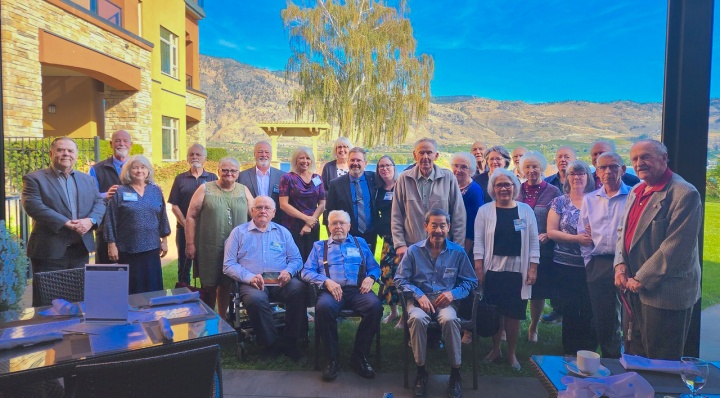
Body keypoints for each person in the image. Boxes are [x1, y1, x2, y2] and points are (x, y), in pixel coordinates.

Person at [614, 139, 701, 360]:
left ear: (664, 158)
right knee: (635, 354)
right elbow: (622, 231)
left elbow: (676, 247)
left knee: (661, 362)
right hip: (633, 288)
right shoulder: (636, 190)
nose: (639, 163)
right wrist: (620, 265)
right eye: (635, 159)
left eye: (646, 157)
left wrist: (641, 278)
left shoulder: (684, 194)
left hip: (665, 293)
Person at [394, 209, 478, 398]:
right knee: (416, 319)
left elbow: (471, 281)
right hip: (418, 301)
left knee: (449, 320)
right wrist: (418, 294)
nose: (438, 230)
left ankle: (455, 373)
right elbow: (399, 280)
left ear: (448, 227)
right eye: (434, 225)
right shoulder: (414, 251)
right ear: (426, 226)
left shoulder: (458, 252)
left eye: (442, 225)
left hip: (445, 301)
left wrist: (453, 293)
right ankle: (421, 371)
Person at [22, 137, 105, 306]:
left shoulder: (87, 179)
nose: (66, 153)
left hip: (79, 250)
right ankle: (49, 333)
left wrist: (90, 221)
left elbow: (100, 202)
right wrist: (66, 223)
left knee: (78, 300)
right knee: (48, 304)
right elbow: (34, 206)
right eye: (60, 150)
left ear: (76, 155)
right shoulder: (34, 179)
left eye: (70, 151)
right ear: (51, 153)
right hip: (49, 252)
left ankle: (76, 332)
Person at [301, 210, 382, 381]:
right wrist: (326, 281)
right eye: (334, 223)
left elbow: (375, 267)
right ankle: (332, 358)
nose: (338, 226)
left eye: (342, 223)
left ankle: (359, 356)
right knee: (323, 308)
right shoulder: (319, 246)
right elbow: (306, 271)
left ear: (349, 226)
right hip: (331, 291)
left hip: (357, 290)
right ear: (328, 226)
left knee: (375, 307)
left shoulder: (360, 243)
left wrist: (371, 277)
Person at [223, 196, 306, 362]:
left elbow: (297, 260)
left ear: (274, 212)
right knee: (256, 300)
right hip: (252, 281)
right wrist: (249, 277)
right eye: (259, 207)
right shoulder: (238, 233)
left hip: (280, 280)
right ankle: (271, 344)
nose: (263, 211)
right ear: (252, 211)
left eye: (267, 208)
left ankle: (291, 342)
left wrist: (289, 272)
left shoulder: (283, 232)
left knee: (299, 290)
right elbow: (228, 264)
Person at [474, 168, 539, 371]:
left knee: (513, 314)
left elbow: (533, 241)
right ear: (493, 188)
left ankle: (511, 354)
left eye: (507, 184)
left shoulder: (525, 211)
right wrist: (478, 268)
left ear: (515, 187)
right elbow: (478, 242)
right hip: (493, 269)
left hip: (516, 272)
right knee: (494, 313)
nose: (504, 188)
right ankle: (496, 350)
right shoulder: (485, 211)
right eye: (499, 185)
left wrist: (533, 268)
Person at [185, 157, 254, 319]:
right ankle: (208, 319)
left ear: (238, 174)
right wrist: (190, 244)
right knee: (209, 284)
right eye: (225, 170)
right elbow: (191, 216)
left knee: (226, 285)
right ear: (218, 171)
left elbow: (255, 215)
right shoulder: (205, 189)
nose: (228, 173)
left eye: (233, 171)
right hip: (209, 245)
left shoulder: (243, 190)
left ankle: (222, 319)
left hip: (235, 249)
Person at [577, 152, 629, 359]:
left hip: (627, 263)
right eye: (603, 167)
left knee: (631, 315)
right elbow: (583, 234)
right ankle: (611, 357)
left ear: (623, 170)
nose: (608, 171)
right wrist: (589, 262)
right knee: (604, 315)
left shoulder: (633, 196)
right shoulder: (590, 200)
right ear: (597, 172)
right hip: (599, 262)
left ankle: (634, 355)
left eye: (613, 167)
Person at [547, 160, 596, 355]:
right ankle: (569, 348)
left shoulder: (596, 200)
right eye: (572, 174)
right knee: (569, 307)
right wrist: (577, 238)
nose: (576, 178)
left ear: (588, 177)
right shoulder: (560, 201)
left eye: (581, 174)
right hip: (565, 265)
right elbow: (551, 231)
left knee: (589, 307)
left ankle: (588, 349)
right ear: (567, 178)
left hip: (591, 264)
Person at [104, 155, 171, 294]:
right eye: (135, 167)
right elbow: (110, 219)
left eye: (143, 167)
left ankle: (152, 315)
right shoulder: (121, 192)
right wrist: (111, 244)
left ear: (148, 171)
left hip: (151, 248)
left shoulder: (156, 191)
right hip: (128, 249)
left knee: (152, 288)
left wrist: (164, 240)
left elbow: (162, 215)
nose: (139, 171)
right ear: (128, 171)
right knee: (131, 289)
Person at [392, 138, 466, 261]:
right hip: (413, 248)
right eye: (421, 153)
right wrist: (400, 244)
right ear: (415, 155)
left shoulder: (448, 178)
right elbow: (396, 215)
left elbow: (459, 215)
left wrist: (457, 247)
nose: (425, 156)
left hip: (444, 248)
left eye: (429, 152)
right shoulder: (404, 179)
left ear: (436, 156)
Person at [518, 151, 562, 343]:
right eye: (527, 167)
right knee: (517, 288)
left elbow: (560, 219)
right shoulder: (517, 189)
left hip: (543, 249)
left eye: (535, 166)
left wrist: (547, 233)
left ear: (542, 168)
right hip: (518, 248)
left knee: (538, 291)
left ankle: (533, 327)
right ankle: (510, 326)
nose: (531, 170)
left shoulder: (553, 191)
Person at [168, 144, 218, 284]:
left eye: (198, 154)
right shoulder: (180, 179)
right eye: (191, 154)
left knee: (205, 266)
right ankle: (184, 297)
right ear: (187, 158)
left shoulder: (213, 178)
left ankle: (204, 298)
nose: (194, 157)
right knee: (184, 266)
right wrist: (187, 225)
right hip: (183, 229)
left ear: (205, 158)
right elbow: (174, 205)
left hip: (206, 231)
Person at [450, 152, 484, 345]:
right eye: (456, 166)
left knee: (467, 287)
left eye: (463, 167)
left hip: (467, 248)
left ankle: (468, 331)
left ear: (471, 169)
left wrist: (464, 252)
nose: (459, 170)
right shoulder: (452, 186)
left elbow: (473, 225)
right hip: (453, 244)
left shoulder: (474, 190)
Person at [90, 130, 132, 264]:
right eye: (118, 141)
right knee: (107, 273)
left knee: (132, 274)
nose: (122, 144)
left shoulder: (139, 168)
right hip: (106, 230)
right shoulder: (96, 169)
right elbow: (89, 197)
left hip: (132, 229)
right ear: (111, 144)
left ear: (131, 144)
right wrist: (105, 195)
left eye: (125, 141)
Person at [324, 147, 378, 252]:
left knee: (368, 266)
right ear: (348, 162)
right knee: (349, 266)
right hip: (347, 235)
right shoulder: (336, 184)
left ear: (365, 163)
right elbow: (329, 213)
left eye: (358, 160)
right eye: (352, 160)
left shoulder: (373, 179)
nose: (355, 163)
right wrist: (334, 234)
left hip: (370, 234)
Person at [279, 147, 326, 262]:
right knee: (294, 260)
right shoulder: (287, 178)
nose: (305, 161)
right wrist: (306, 219)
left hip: (312, 226)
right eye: (301, 158)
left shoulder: (317, 178)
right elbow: (283, 205)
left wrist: (309, 224)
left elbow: (322, 204)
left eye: (308, 158)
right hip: (292, 226)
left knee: (312, 260)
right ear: (295, 160)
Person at [374, 156, 401, 326]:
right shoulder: (378, 189)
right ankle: (393, 311)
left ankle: (405, 316)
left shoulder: (401, 186)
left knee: (402, 275)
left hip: (401, 239)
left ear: (394, 167)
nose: (385, 169)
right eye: (381, 166)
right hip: (386, 240)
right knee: (386, 275)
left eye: (388, 165)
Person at [237, 141, 286, 223]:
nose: (264, 155)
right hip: (250, 223)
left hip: (276, 223)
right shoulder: (242, 176)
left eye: (267, 152)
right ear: (254, 154)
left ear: (271, 155)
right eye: (260, 152)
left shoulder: (282, 176)